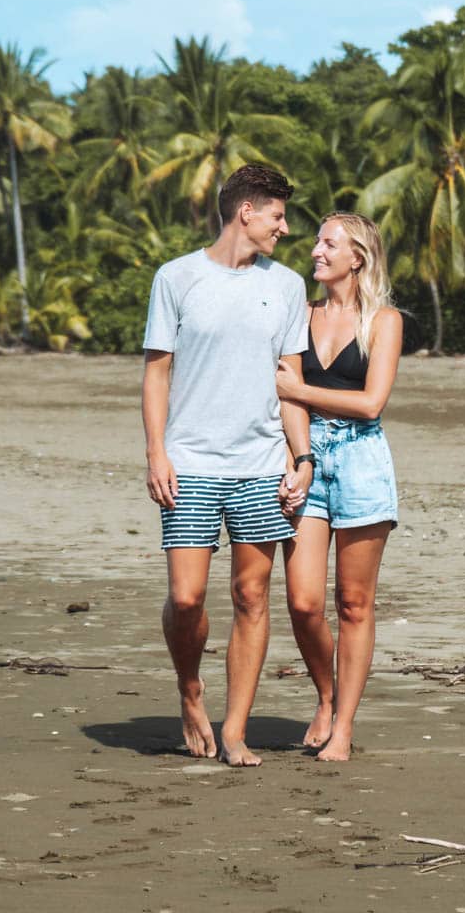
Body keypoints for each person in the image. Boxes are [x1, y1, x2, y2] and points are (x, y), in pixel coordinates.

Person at [142, 164, 315, 767]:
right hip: (188, 463)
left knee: (250, 595)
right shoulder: (177, 277)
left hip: (261, 463)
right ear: (246, 210)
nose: (285, 228)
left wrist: (302, 457)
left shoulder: (288, 286)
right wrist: (156, 451)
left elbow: (290, 381)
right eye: (277, 215)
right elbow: (157, 370)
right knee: (187, 598)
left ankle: (235, 729)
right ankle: (191, 690)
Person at [276, 212, 403, 762]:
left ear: (358, 256)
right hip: (306, 457)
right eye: (317, 241)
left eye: (330, 243)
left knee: (354, 604)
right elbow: (283, 396)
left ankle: (344, 725)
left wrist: (303, 390)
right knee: (303, 603)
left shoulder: (385, 321)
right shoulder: (297, 315)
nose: (316, 250)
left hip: (361, 461)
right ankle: (326, 696)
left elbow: (372, 403)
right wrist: (300, 456)